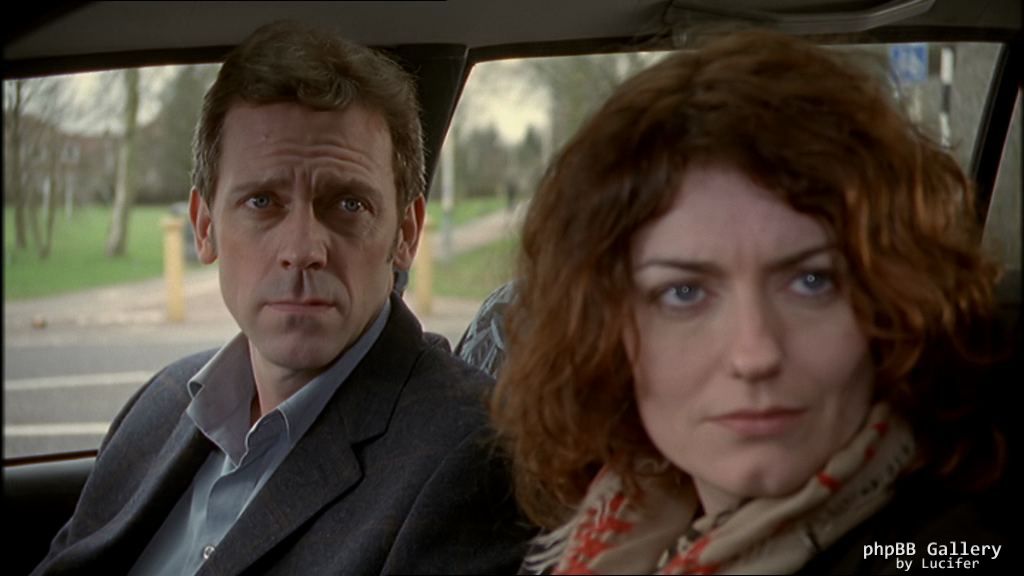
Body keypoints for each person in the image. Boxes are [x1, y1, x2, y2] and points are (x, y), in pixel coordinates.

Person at [489, 30, 1011, 574]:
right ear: (604, 333)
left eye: (812, 282)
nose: (755, 354)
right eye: (684, 293)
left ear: (893, 306)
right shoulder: (616, 526)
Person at [32, 21, 531, 575]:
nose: (302, 250)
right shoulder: (161, 401)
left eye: (349, 205)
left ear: (406, 234)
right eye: (263, 202)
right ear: (205, 227)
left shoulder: (474, 461)